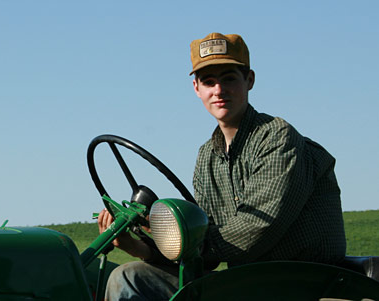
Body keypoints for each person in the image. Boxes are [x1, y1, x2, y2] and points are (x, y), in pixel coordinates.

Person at [98, 32, 346, 300]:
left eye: (229, 78)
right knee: (129, 276)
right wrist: (139, 245)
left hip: (301, 282)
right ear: (197, 88)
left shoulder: (277, 138)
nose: (219, 90)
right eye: (209, 81)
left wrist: (185, 241)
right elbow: (203, 243)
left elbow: (256, 229)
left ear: (249, 80)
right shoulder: (207, 156)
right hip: (246, 283)